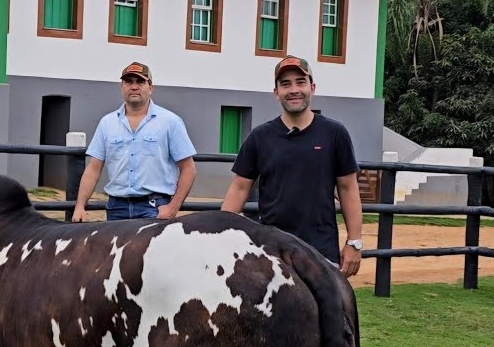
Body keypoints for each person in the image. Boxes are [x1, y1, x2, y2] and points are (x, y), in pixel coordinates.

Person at [220, 55, 364, 276]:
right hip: (270, 252)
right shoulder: (260, 137)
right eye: (285, 84)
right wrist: (220, 235)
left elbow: (348, 188)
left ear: (312, 87)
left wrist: (354, 243)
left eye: (300, 82)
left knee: (328, 311)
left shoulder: (335, 134)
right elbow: (239, 187)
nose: (294, 89)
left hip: (321, 251)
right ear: (276, 92)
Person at [72, 62, 197, 222]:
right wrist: (80, 206)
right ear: (121, 87)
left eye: (140, 82)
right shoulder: (107, 123)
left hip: (154, 208)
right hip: (116, 208)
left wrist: (173, 207)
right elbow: (93, 169)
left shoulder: (170, 122)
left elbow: (188, 168)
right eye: (128, 82)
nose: (134, 86)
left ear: (151, 88)